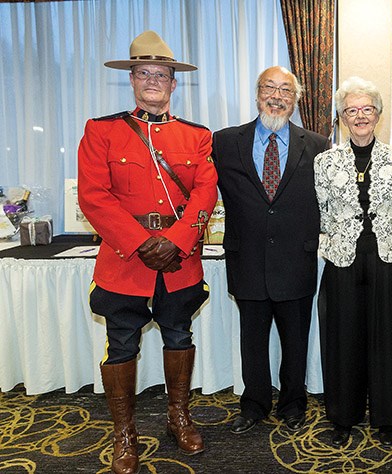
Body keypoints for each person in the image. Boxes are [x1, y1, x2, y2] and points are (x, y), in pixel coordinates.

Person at [78, 31, 218, 474]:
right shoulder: (101, 131)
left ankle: (179, 417)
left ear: (174, 83)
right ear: (132, 79)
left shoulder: (196, 136)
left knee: (179, 336)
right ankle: (124, 433)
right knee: (121, 345)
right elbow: (93, 197)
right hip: (125, 260)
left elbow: (204, 192)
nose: (153, 80)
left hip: (178, 261)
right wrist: (141, 243)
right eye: (144, 73)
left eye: (162, 74)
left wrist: (174, 241)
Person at [212, 66, 329, 435]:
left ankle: (294, 403)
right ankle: (254, 404)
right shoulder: (224, 142)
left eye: (286, 91)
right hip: (246, 259)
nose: (277, 96)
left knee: (296, 340)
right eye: (269, 88)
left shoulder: (319, 144)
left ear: (296, 101)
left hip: (297, 259)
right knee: (252, 340)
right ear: (257, 92)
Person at [314, 77, 392, 448]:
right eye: (351, 110)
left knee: (385, 338)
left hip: (386, 254)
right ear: (342, 117)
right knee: (342, 338)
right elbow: (323, 213)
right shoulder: (324, 161)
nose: (359, 116)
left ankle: (386, 418)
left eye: (367, 109)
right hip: (341, 256)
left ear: (378, 114)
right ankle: (343, 417)